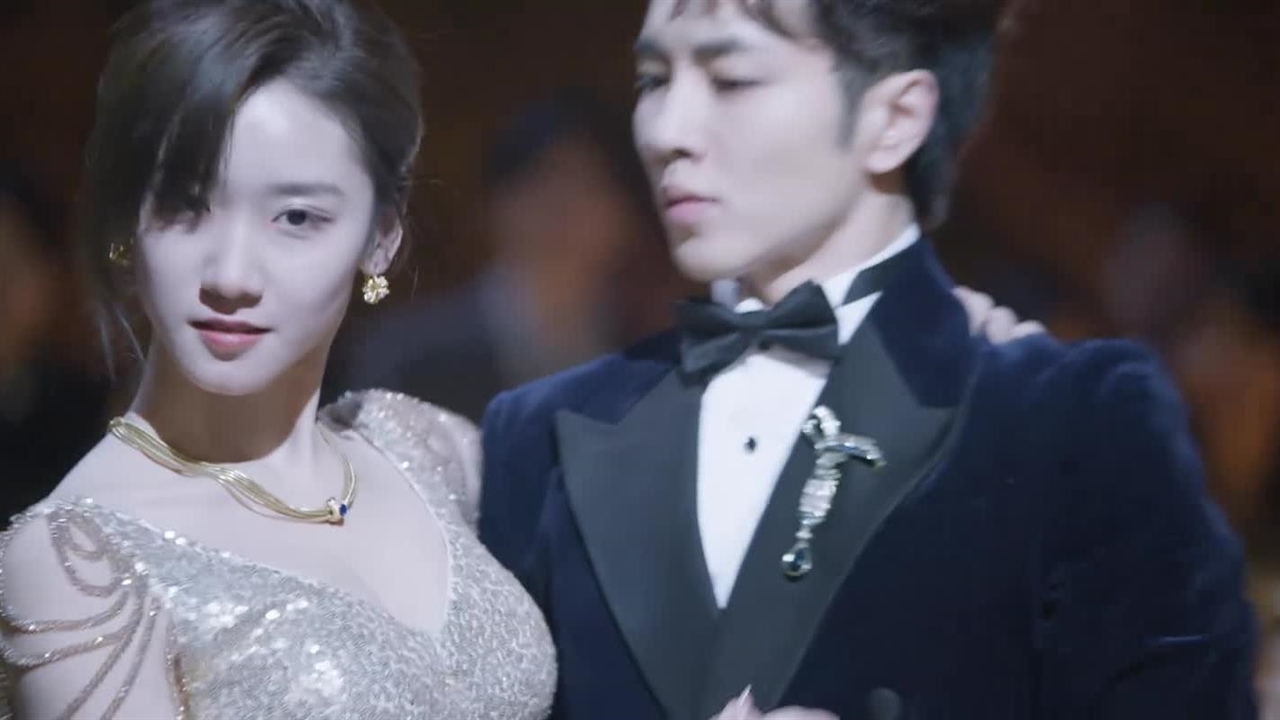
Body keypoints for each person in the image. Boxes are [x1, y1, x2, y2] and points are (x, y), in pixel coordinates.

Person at [476, 1, 1257, 718]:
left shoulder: (1071, 420)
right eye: (653, 79)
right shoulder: (540, 434)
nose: (665, 130)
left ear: (895, 118)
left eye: (731, 78)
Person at [0, 1, 554, 719]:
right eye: (185, 207)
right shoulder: (78, 561)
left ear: (381, 237)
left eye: (296, 218)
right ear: (128, 222)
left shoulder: (428, 449)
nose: (232, 275)